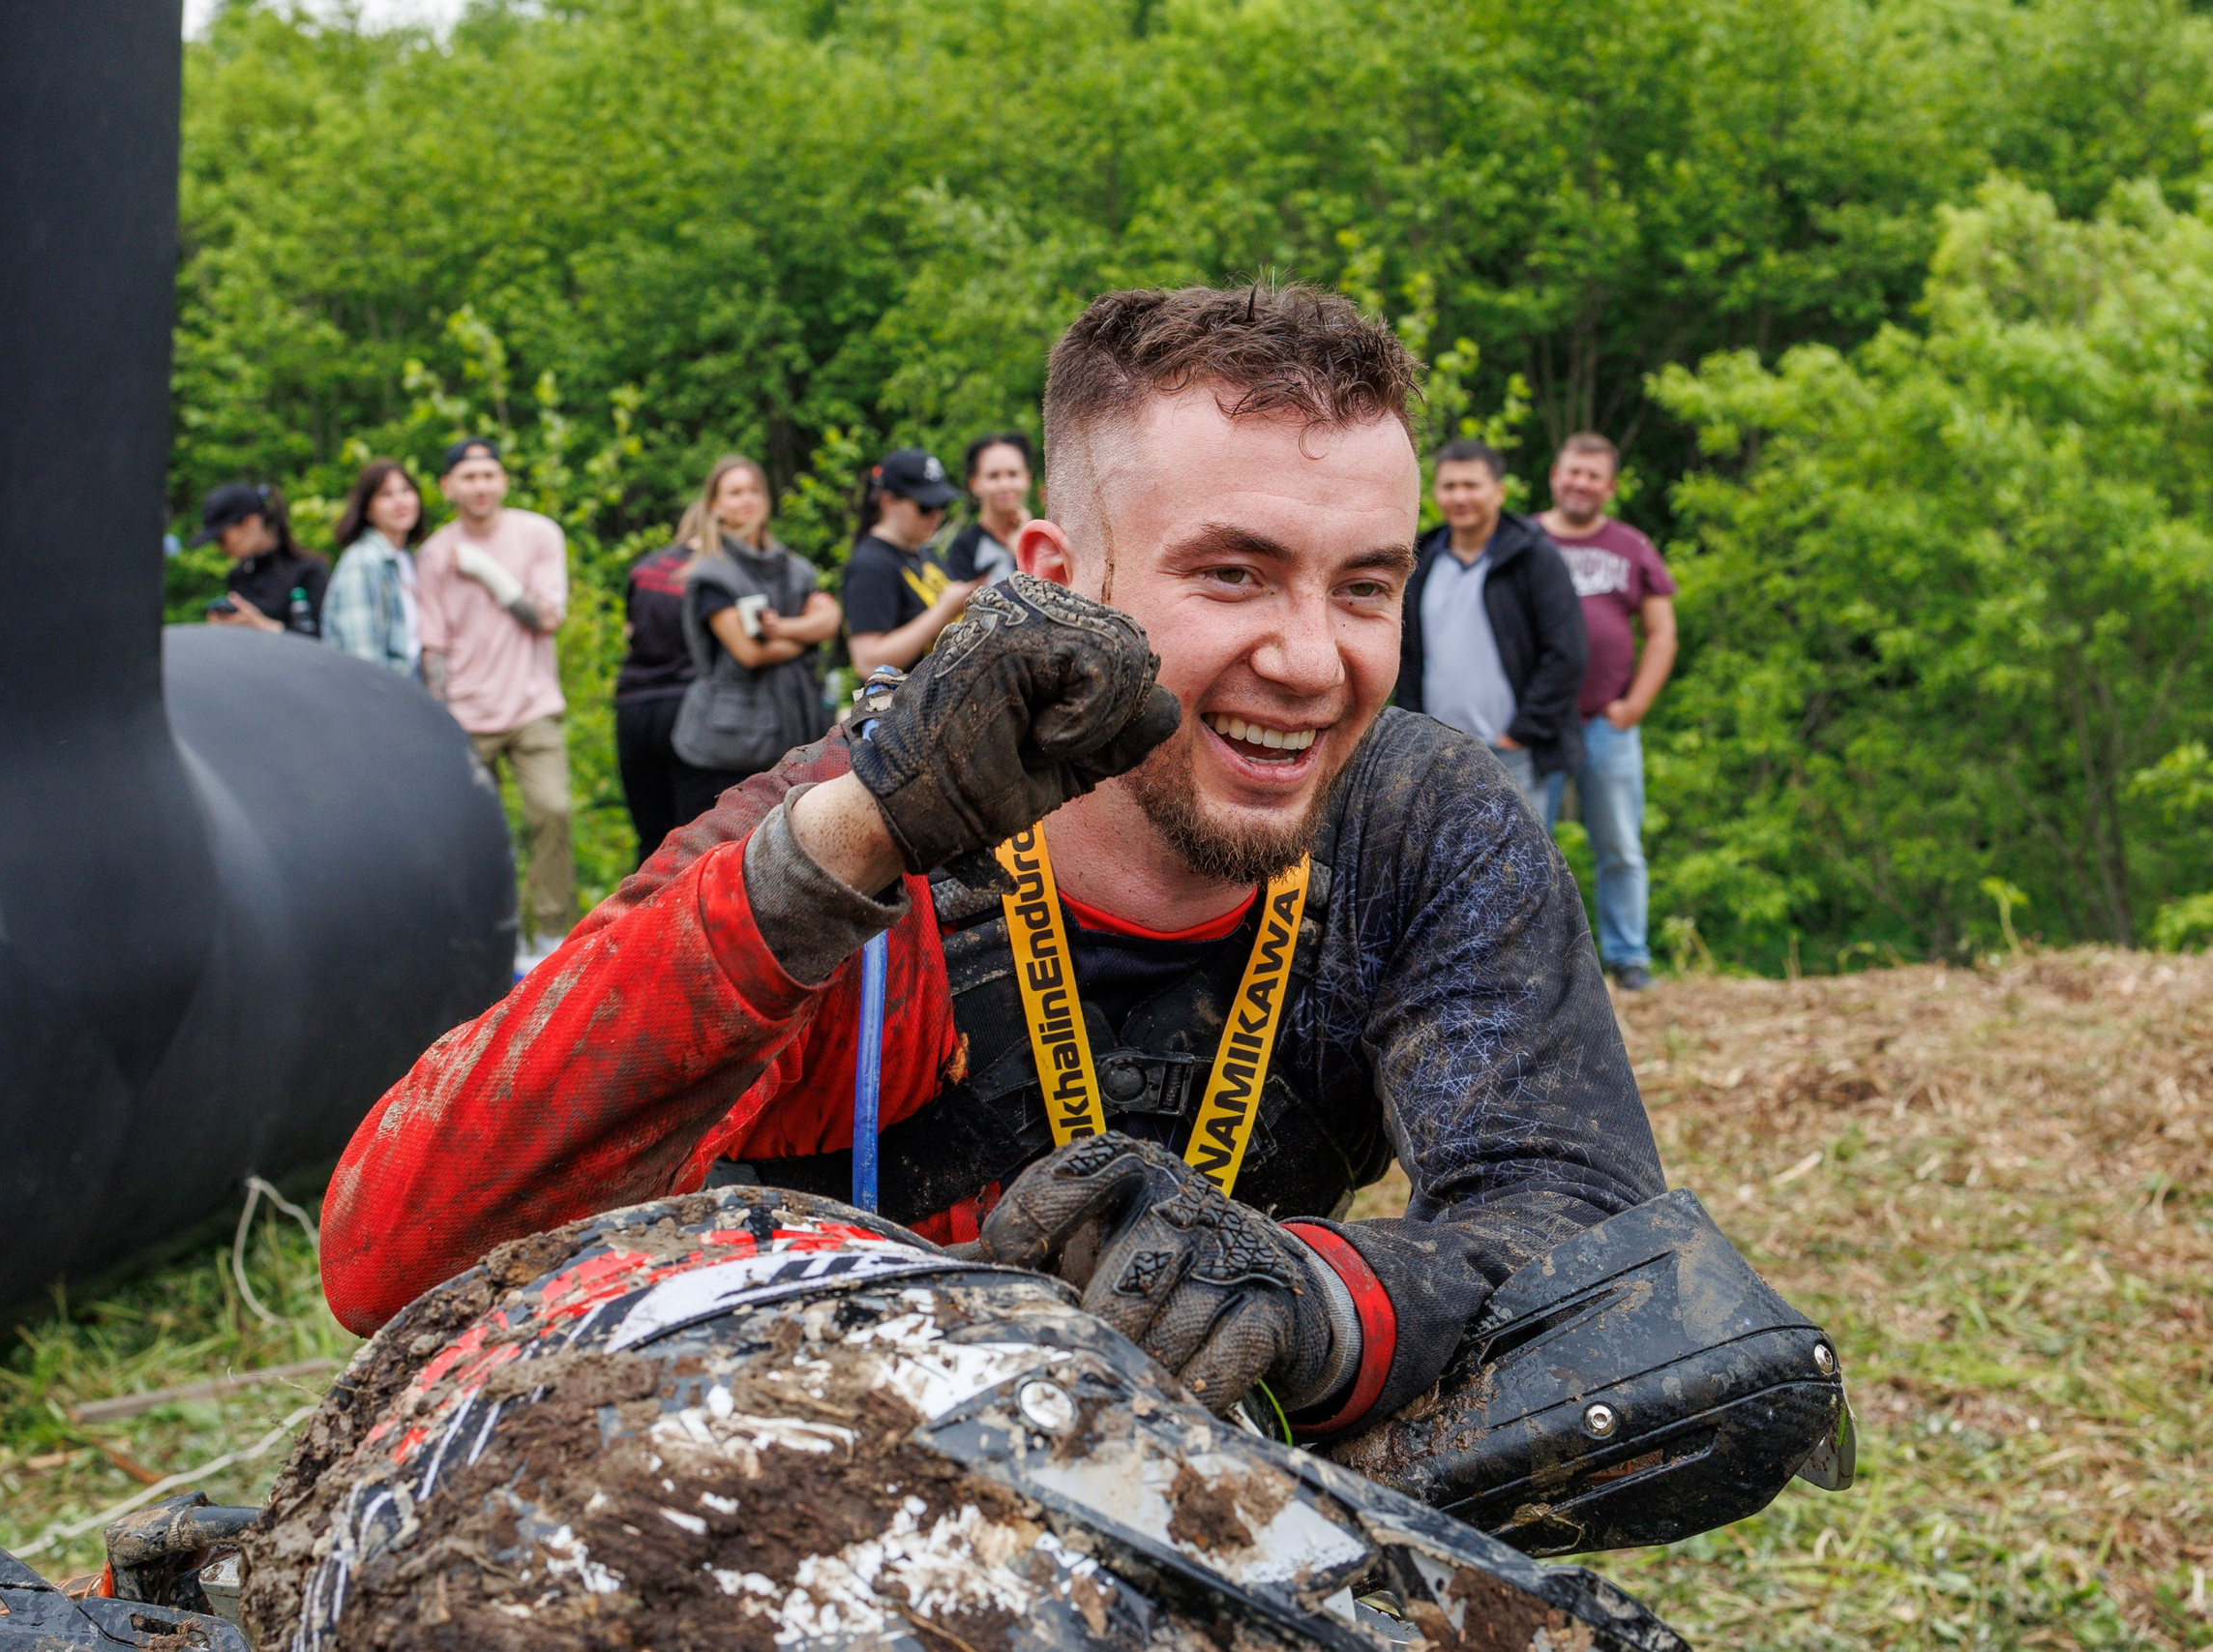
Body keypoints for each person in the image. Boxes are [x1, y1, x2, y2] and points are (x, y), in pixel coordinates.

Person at [319, 285, 1666, 1461]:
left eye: (1365, 587)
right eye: (1234, 573)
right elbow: (388, 1250)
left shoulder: (1411, 822)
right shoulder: (850, 832)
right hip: (815, 1500)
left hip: (1182, 1509)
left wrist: (1303, 1296)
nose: (1314, 660)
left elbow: (1599, 1249)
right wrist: (853, 846)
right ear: (1057, 577)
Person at [413, 436, 574, 972]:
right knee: (471, 832)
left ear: (503, 480)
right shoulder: (434, 553)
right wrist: (440, 721)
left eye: (489, 474)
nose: (480, 485)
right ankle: (483, 935)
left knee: (552, 810)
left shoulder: (538, 534)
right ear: (447, 487)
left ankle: (549, 934)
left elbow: (547, 617)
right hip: (464, 712)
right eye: (468, 476)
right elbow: (431, 645)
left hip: (531, 705)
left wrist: (486, 571)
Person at [1536, 433, 1678, 991]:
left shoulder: (1633, 546)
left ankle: (1629, 957)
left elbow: (1663, 633)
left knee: (1619, 845)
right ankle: (1533, 964)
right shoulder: (1523, 541)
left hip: (1606, 725)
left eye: (1593, 475)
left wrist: (1636, 704)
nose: (1581, 483)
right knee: (1526, 846)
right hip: (1537, 726)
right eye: (1573, 472)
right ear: (1555, 475)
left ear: (1610, 487)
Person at [1391, 441, 1586, 801]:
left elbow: (1567, 653)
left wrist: (1521, 733)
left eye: (1471, 485)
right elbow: (1406, 654)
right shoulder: (1418, 562)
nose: (1459, 496)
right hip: (1439, 754)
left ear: (1499, 492)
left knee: (1520, 858)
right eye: (1449, 486)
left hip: (1514, 753)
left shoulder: (1534, 558)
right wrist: (1415, 730)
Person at [665, 455, 842, 828]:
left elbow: (830, 619)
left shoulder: (796, 568)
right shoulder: (713, 574)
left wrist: (784, 629)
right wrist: (807, 637)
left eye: (754, 490)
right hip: (723, 748)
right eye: (734, 492)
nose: (747, 499)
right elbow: (749, 651)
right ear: (715, 506)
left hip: (796, 735)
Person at [841, 448, 976, 672]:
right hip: (901, 704)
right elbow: (867, 663)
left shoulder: (922, 551)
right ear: (888, 502)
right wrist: (943, 609)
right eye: (925, 507)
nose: (937, 515)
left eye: (941, 505)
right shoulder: (870, 566)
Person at [615, 539, 701, 866]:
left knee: (650, 838)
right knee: (692, 838)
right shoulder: (719, 570)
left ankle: (641, 915)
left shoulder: (644, 567)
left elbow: (630, 630)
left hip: (635, 705)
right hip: (689, 705)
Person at [320, 460, 425, 675]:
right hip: (384, 695)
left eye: (406, 490)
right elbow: (364, 662)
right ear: (367, 510)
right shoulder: (362, 563)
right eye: (386, 495)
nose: (400, 502)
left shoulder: (406, 559)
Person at [194, 482, 330, 636]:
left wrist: (261, 625)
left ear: (251, 523)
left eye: (222, 538)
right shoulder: (238, 576)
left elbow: (322, 641)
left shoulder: (309, 571)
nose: (220, 548)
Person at [943, 432, 1034, 586]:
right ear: (974, 484)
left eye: (1013, 474)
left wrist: (1024, 548)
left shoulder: (1044, 540)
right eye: (993, 476)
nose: (1004, 485)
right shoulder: (963, 548)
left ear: (1027, 478)